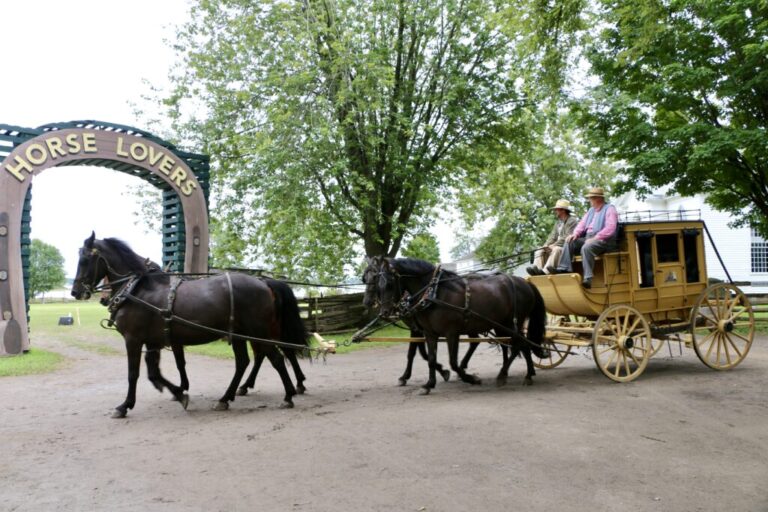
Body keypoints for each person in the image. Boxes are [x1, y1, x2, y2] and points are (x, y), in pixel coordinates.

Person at [547, 187, 618, 289]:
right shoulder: (591, 210)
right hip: (589, 238)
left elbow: (610, 228)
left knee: (586, 247)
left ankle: (588, 279)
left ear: (598, 198)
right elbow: (582, 224)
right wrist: (575, 234)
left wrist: (595, 238)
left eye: (591, 198)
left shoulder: (610, 209)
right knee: (569, 241)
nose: (589, 201)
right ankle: (565, 268)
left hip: (604, 240)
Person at [527, 199, 578, 276]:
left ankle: (545, 271)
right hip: (556, 246)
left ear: (563, 210)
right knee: (539, 251)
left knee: (556, 249)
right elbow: (552, 236)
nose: (555, 211)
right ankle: (536, 271)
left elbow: (566, 237)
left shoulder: (572, 221)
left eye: (557, 209)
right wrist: (546, 245)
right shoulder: (558, 222)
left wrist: (554, 245)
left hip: (566, 248)